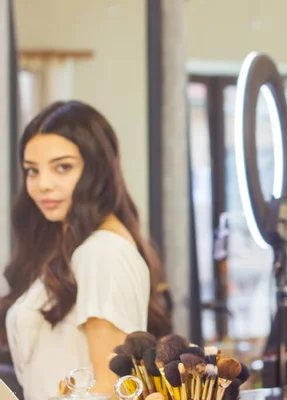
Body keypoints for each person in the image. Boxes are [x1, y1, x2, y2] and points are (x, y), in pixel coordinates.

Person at [0, 101, 171, 400]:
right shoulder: (76, 250)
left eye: (62, 167)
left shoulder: (101, 252)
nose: (43, 185)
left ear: (97, 170)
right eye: (32, 171)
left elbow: (112, 388)